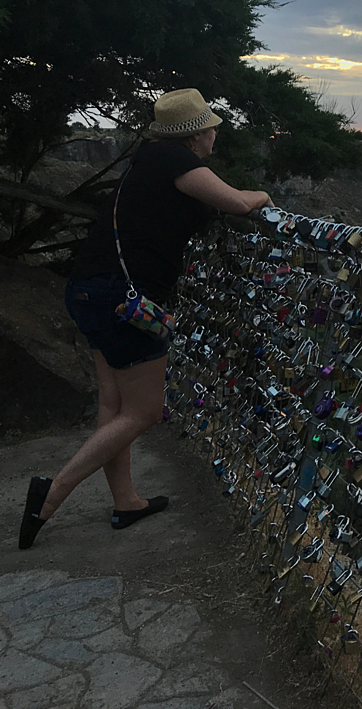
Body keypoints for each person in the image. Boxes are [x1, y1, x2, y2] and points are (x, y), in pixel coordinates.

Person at [19, 88, 272, 549]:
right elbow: (237, 202)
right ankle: (50, 495)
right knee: (145, 411)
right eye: (211, 126)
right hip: (124, 302)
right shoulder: (175, 162)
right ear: (195, 135)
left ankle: (126, 502)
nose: (216, 132)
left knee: (114, 408)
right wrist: (264, 195)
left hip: (90, 289)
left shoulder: (149, 160)